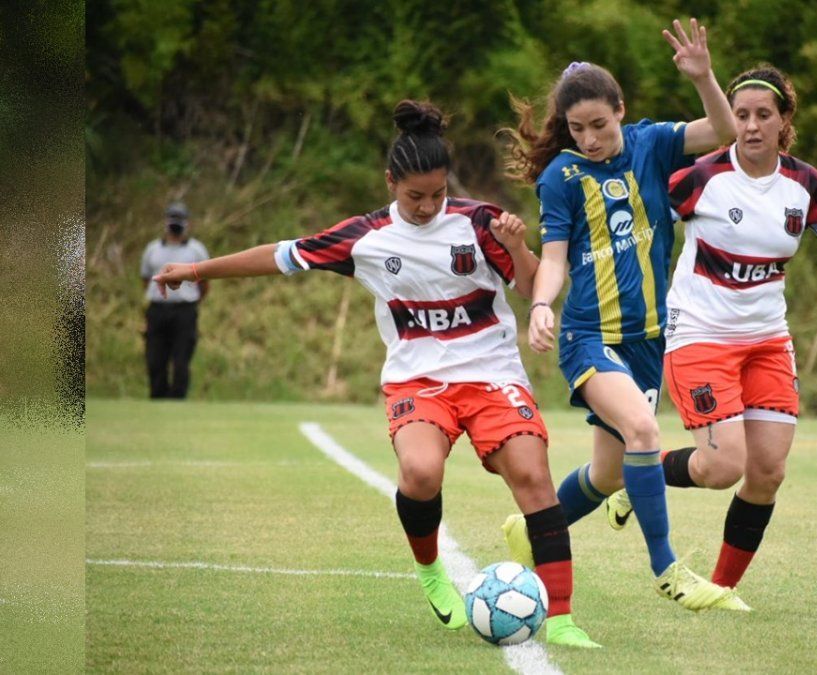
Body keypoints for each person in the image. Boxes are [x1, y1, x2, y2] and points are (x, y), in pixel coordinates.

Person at [153, 101, 599, 648]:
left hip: (490, 373)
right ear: (391, 182)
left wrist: (517, 246)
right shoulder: (364, 238)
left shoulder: (480, 223)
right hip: (418, 382)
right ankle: (432, 570)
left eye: (437, 194)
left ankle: (562, 619)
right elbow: (280, 255)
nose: (427, 206)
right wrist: (198, 269)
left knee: (533, 476)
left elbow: (534, 288)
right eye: (415, 196)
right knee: (419, 472)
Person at [606, 64, 817, 609]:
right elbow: (640, 231)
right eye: (741, 116)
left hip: (766, 341)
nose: (752, 125)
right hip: (700, 336)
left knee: (766, 472)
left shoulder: (804, 185)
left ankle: (721, 588)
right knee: (723, 467)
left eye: (764, 115)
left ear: (785, 121)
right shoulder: (699, 178)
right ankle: (638, 475)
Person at [501, 19, 744, 612]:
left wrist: (704, 76)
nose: (588, 139)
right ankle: (668, 572)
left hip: (650, 341)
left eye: (599, 125)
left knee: (608, 476)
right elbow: (554, 258)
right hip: (589, 337)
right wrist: (539, 305)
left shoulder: (652, 142)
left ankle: (531, 528)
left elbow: (725, 130)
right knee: (643, 431)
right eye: (577, 129)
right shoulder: (562, 177)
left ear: (620, 111)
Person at [140, 201, 209, 398]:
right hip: (158, 310)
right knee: (155, 359)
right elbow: (146, 279)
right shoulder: (153, 249)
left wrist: (191, 301)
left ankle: (177, 403)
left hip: (184, 311)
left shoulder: (196, 250)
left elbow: (204, 283)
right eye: (173, 219)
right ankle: (157, 399)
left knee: (181, 361)